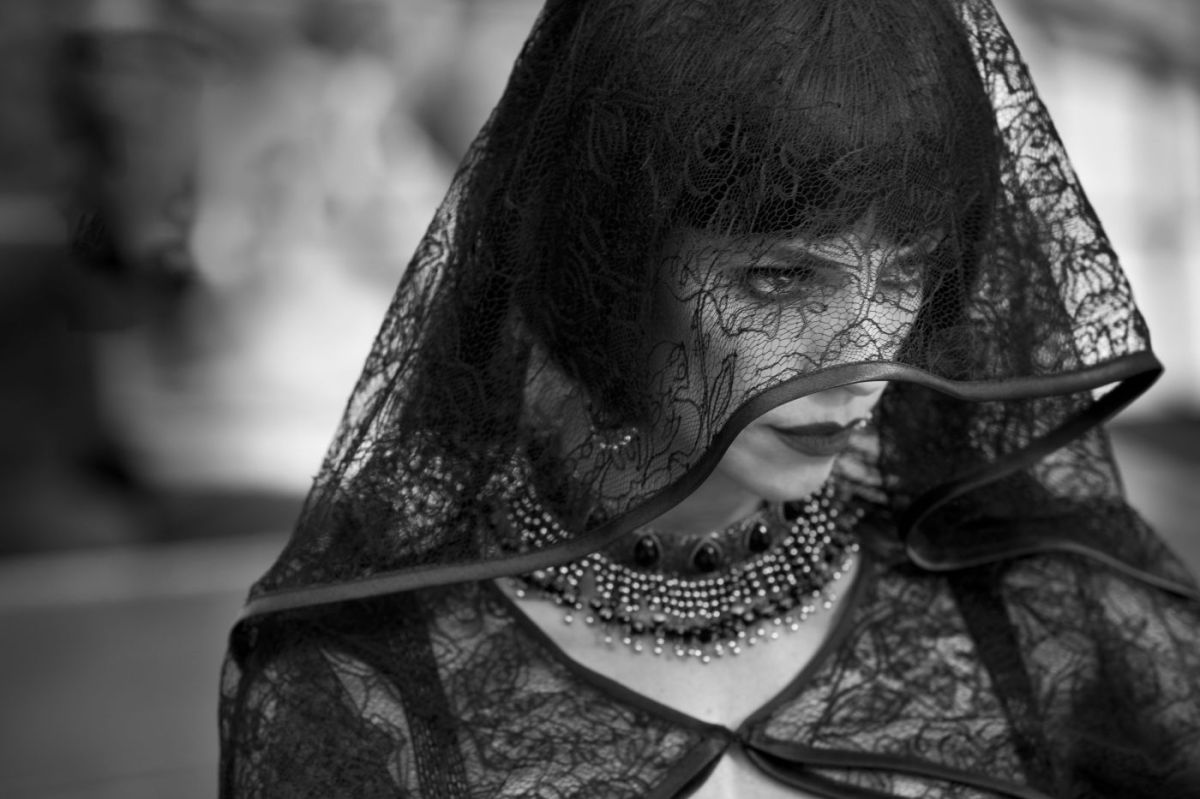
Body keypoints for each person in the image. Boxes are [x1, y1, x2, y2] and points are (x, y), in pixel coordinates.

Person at [218, 0, 1200, 796]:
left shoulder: (1042, 620)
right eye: (780, 279)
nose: (862, 357)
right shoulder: (375, 685)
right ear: (607, 260)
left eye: (908, 272)